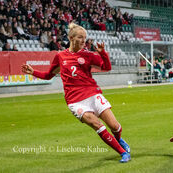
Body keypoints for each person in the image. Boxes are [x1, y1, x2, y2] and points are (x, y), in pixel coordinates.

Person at [21, 23, 131, 163]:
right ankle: (123, 153)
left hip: (93, 94)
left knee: (115, 126)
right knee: (97, 125)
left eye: (85, 38)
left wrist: (102, 53)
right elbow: (49, 75)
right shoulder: (60, 56)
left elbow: (107, 67)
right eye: (80, 37)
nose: (84, 40)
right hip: (75, 101)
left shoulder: (88, 55)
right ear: (71, 38)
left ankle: (119, 139)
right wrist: (33, 72)